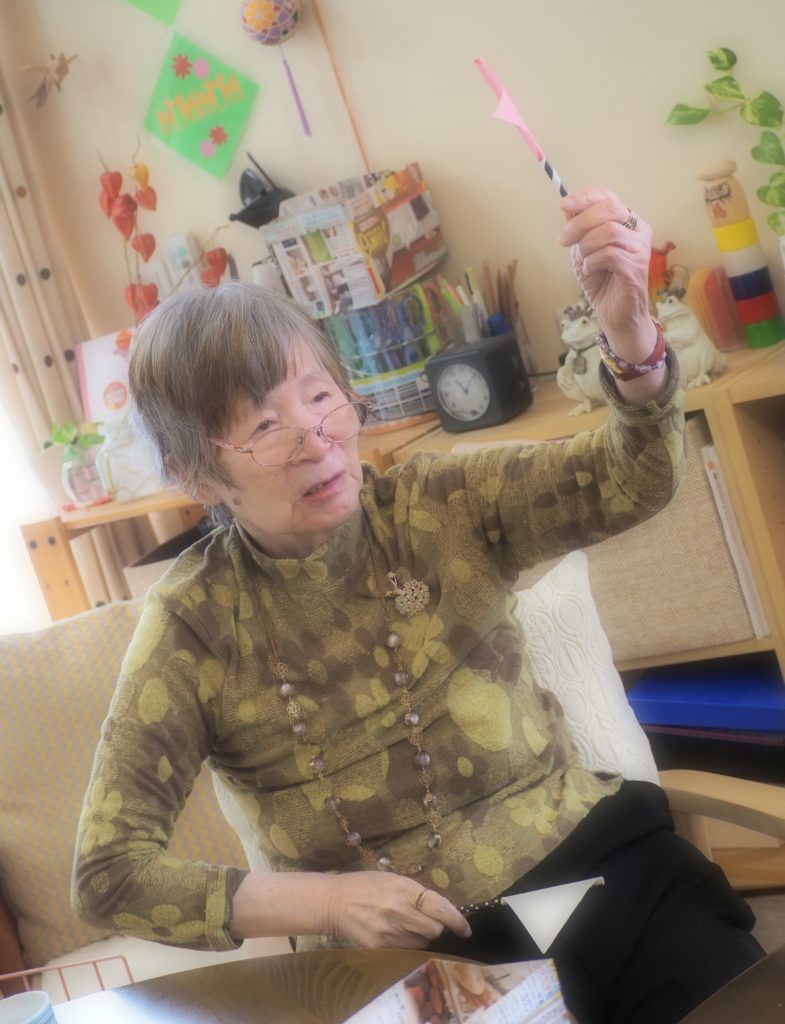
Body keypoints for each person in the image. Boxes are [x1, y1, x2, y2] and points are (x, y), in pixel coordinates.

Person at [72, 188, 763, 1024]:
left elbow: (634, 479)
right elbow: (107, 873)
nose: (315, 439)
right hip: (420, 964)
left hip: (612, 875)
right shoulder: (193, 625)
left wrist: (630, 336)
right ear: (195, 475)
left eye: (319, 396)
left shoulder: (439, 503)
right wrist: (326, 905)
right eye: (262, 426)